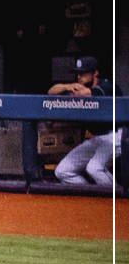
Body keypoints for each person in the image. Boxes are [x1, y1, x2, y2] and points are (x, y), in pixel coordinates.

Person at [48, 56, 120, 189]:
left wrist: (73, 89)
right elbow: (51, 92)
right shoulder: (76, 88)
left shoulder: (107, 85)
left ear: (95, 73)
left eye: (84, 73)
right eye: (78, 73)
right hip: (98, 138)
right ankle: (92, 197)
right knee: (62, 171)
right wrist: (67, 86)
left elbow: (88, 93)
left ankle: (120, 201)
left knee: (94, 168)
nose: (79, 77)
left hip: (116, 136)